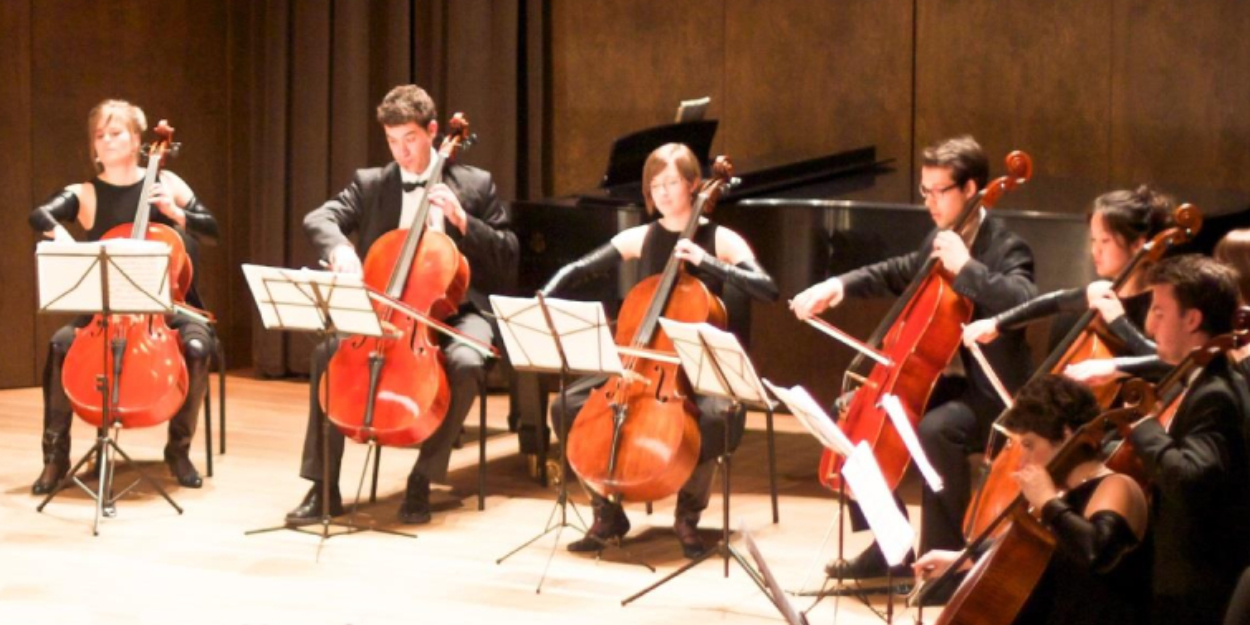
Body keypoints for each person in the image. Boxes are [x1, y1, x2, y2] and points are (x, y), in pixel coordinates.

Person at [790, 135, 1037, 579]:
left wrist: (967, 268)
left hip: (989, 393)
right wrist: (836, 286)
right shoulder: (938, 238)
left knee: (936, 431)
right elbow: (897, 270)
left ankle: (943, 563)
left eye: (938, 191)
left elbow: (1023, 301)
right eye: (925, 191)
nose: (929, 202)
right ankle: (891, 547)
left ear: (970, 189)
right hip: (937, 380)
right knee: (856, 411)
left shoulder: (1006, 247)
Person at [286, 84, 518, 525]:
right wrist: (340, 249)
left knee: (467, 361)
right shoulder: (373, 183)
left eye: (409, 138)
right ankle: (323, 486)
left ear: (432, 131)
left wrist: (463, 221)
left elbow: (509, 256)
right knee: (327, 353)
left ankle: (422, 479)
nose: (402, 152)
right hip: (387, 309)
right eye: (392, 141)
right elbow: (320, 218)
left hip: (458, 310)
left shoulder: (475, 184)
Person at [540, 143, 779, 558]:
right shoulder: (642, 236)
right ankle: (607, 513)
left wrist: (708, 261)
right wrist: (547, 292)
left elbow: (768, 288)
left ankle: (687, 517)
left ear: (694, 185)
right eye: (656, 185)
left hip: (698, 368)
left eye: (672, 183)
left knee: (714, 417)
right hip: (642, 362)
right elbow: (580, 268)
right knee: (566, 406)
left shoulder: (721, 239)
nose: (663, 192)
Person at [28, 99, 219, 492]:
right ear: (93, 148)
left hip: (166, 309)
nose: (107, 140)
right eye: (99, 135)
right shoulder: (85, 193)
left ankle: (178, 450)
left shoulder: (167, 184)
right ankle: (55, 457)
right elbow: (39, 215)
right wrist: (60, 233)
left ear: (136, 141)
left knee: (198, 349)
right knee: (60, 345)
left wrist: (176, 213)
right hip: (106, 310)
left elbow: (211, 230)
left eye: (116, 133)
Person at [913, 374, 1150, 624]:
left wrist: (1048, 501)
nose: (1022, 461)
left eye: (1029, 445)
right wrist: (962, 559)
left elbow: (1096, 553)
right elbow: (1032, 548)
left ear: (1067, 435)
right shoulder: (1063, 497)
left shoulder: (1117, 486)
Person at [1129, 254, 1250, 623]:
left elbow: (1188, 477)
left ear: (1193, 319)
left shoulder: (1215, 394)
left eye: (1159, 312)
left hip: (1197, 589)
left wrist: (1144, 426)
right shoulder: (1205, 383)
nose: (1150, 327)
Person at [963, 185, 1175, 357]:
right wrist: (997, 323)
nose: (1095, 251)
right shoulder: (1104, 292)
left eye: (1105, 241)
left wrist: (1119, 323)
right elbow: (1052, 302)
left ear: (1138, 245)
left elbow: (1166, 362)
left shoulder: (1161, 302)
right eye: (1093, 240)